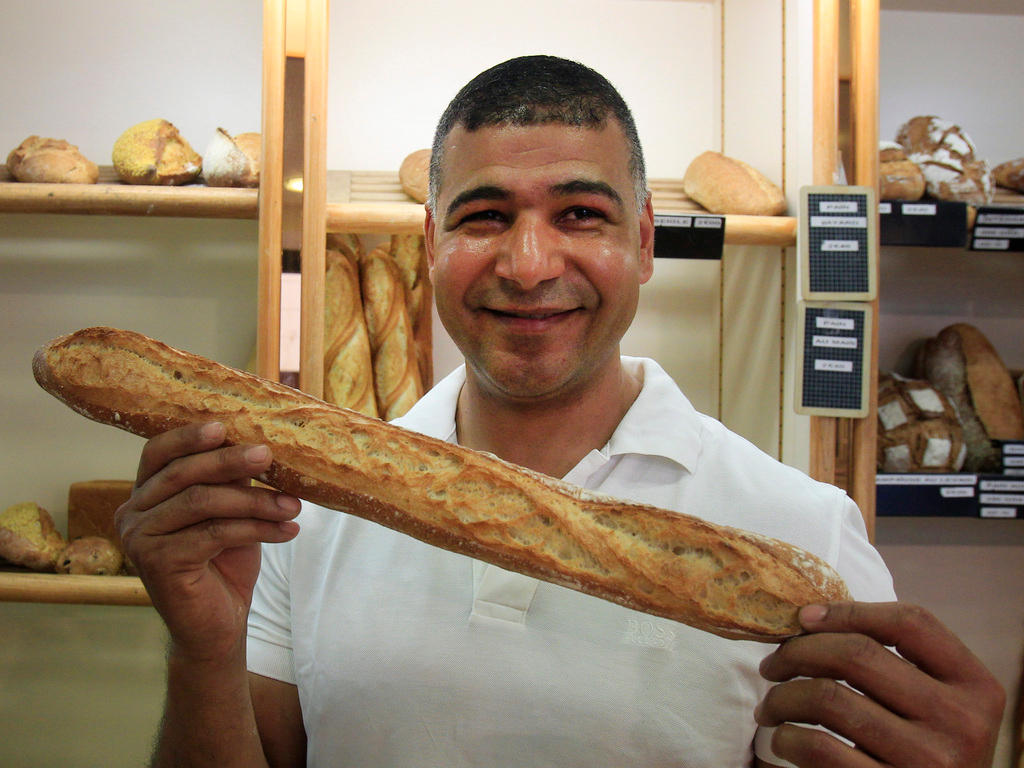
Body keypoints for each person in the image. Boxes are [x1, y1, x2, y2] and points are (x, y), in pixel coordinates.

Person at [116, 55, 1004, 768]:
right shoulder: (302, 516)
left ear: (644, 242)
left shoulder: (808, 536)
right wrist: (204, 650)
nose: (531, 263)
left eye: (580, 213)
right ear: (430, 245)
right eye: (485, 216)